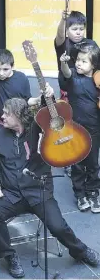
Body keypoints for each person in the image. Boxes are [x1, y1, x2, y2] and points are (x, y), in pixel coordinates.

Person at [0, 98, 99, 278]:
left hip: (39, 191)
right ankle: (9, 255)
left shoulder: (39, 131)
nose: (2, 116)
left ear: (19, 116)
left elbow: (51, 111)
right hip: (12, 195)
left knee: (58, 227)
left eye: (6, 113)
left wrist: (47, 96)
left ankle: (79, 251)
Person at [0, 23, 53, 142]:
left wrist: (39, 99)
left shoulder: (21, 78)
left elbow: (26, 100)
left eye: (5, 69)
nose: (1, 73)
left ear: (12, 67)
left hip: (16, 126)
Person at [59, 39, 100, 213]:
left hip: (94, 129)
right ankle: (80, 194)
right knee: (77, 163)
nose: (79, 64)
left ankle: (93, 191)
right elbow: (66, 73)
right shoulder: (73, 75)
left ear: (94, 65)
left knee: (92, 163)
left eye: (84, 61)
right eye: (78, 60)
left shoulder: (97, 80)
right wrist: (64, 63)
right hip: (76, 128)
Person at [54, 10, 87, 100]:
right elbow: (60, 35)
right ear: (67, 30)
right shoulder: (63, 43)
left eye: (81, 29)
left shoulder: (90, 44)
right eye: (74, 29)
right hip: (67, 94)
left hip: (86, 93)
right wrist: (63, 20)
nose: (78, 32)